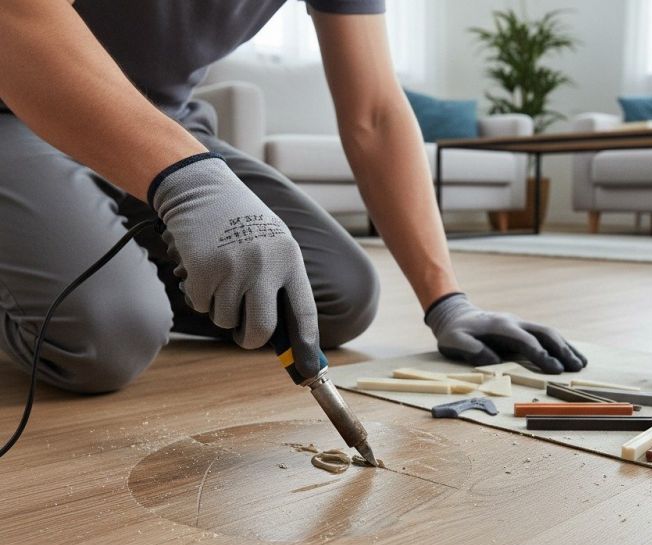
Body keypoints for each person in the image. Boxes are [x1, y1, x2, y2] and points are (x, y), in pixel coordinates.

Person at [0, 0, 586, 395]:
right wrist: (190, 182)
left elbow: (376, 113)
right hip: (15, 108)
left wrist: (447, 301)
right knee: (105, 337)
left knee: (336, 300)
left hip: (168, 128)